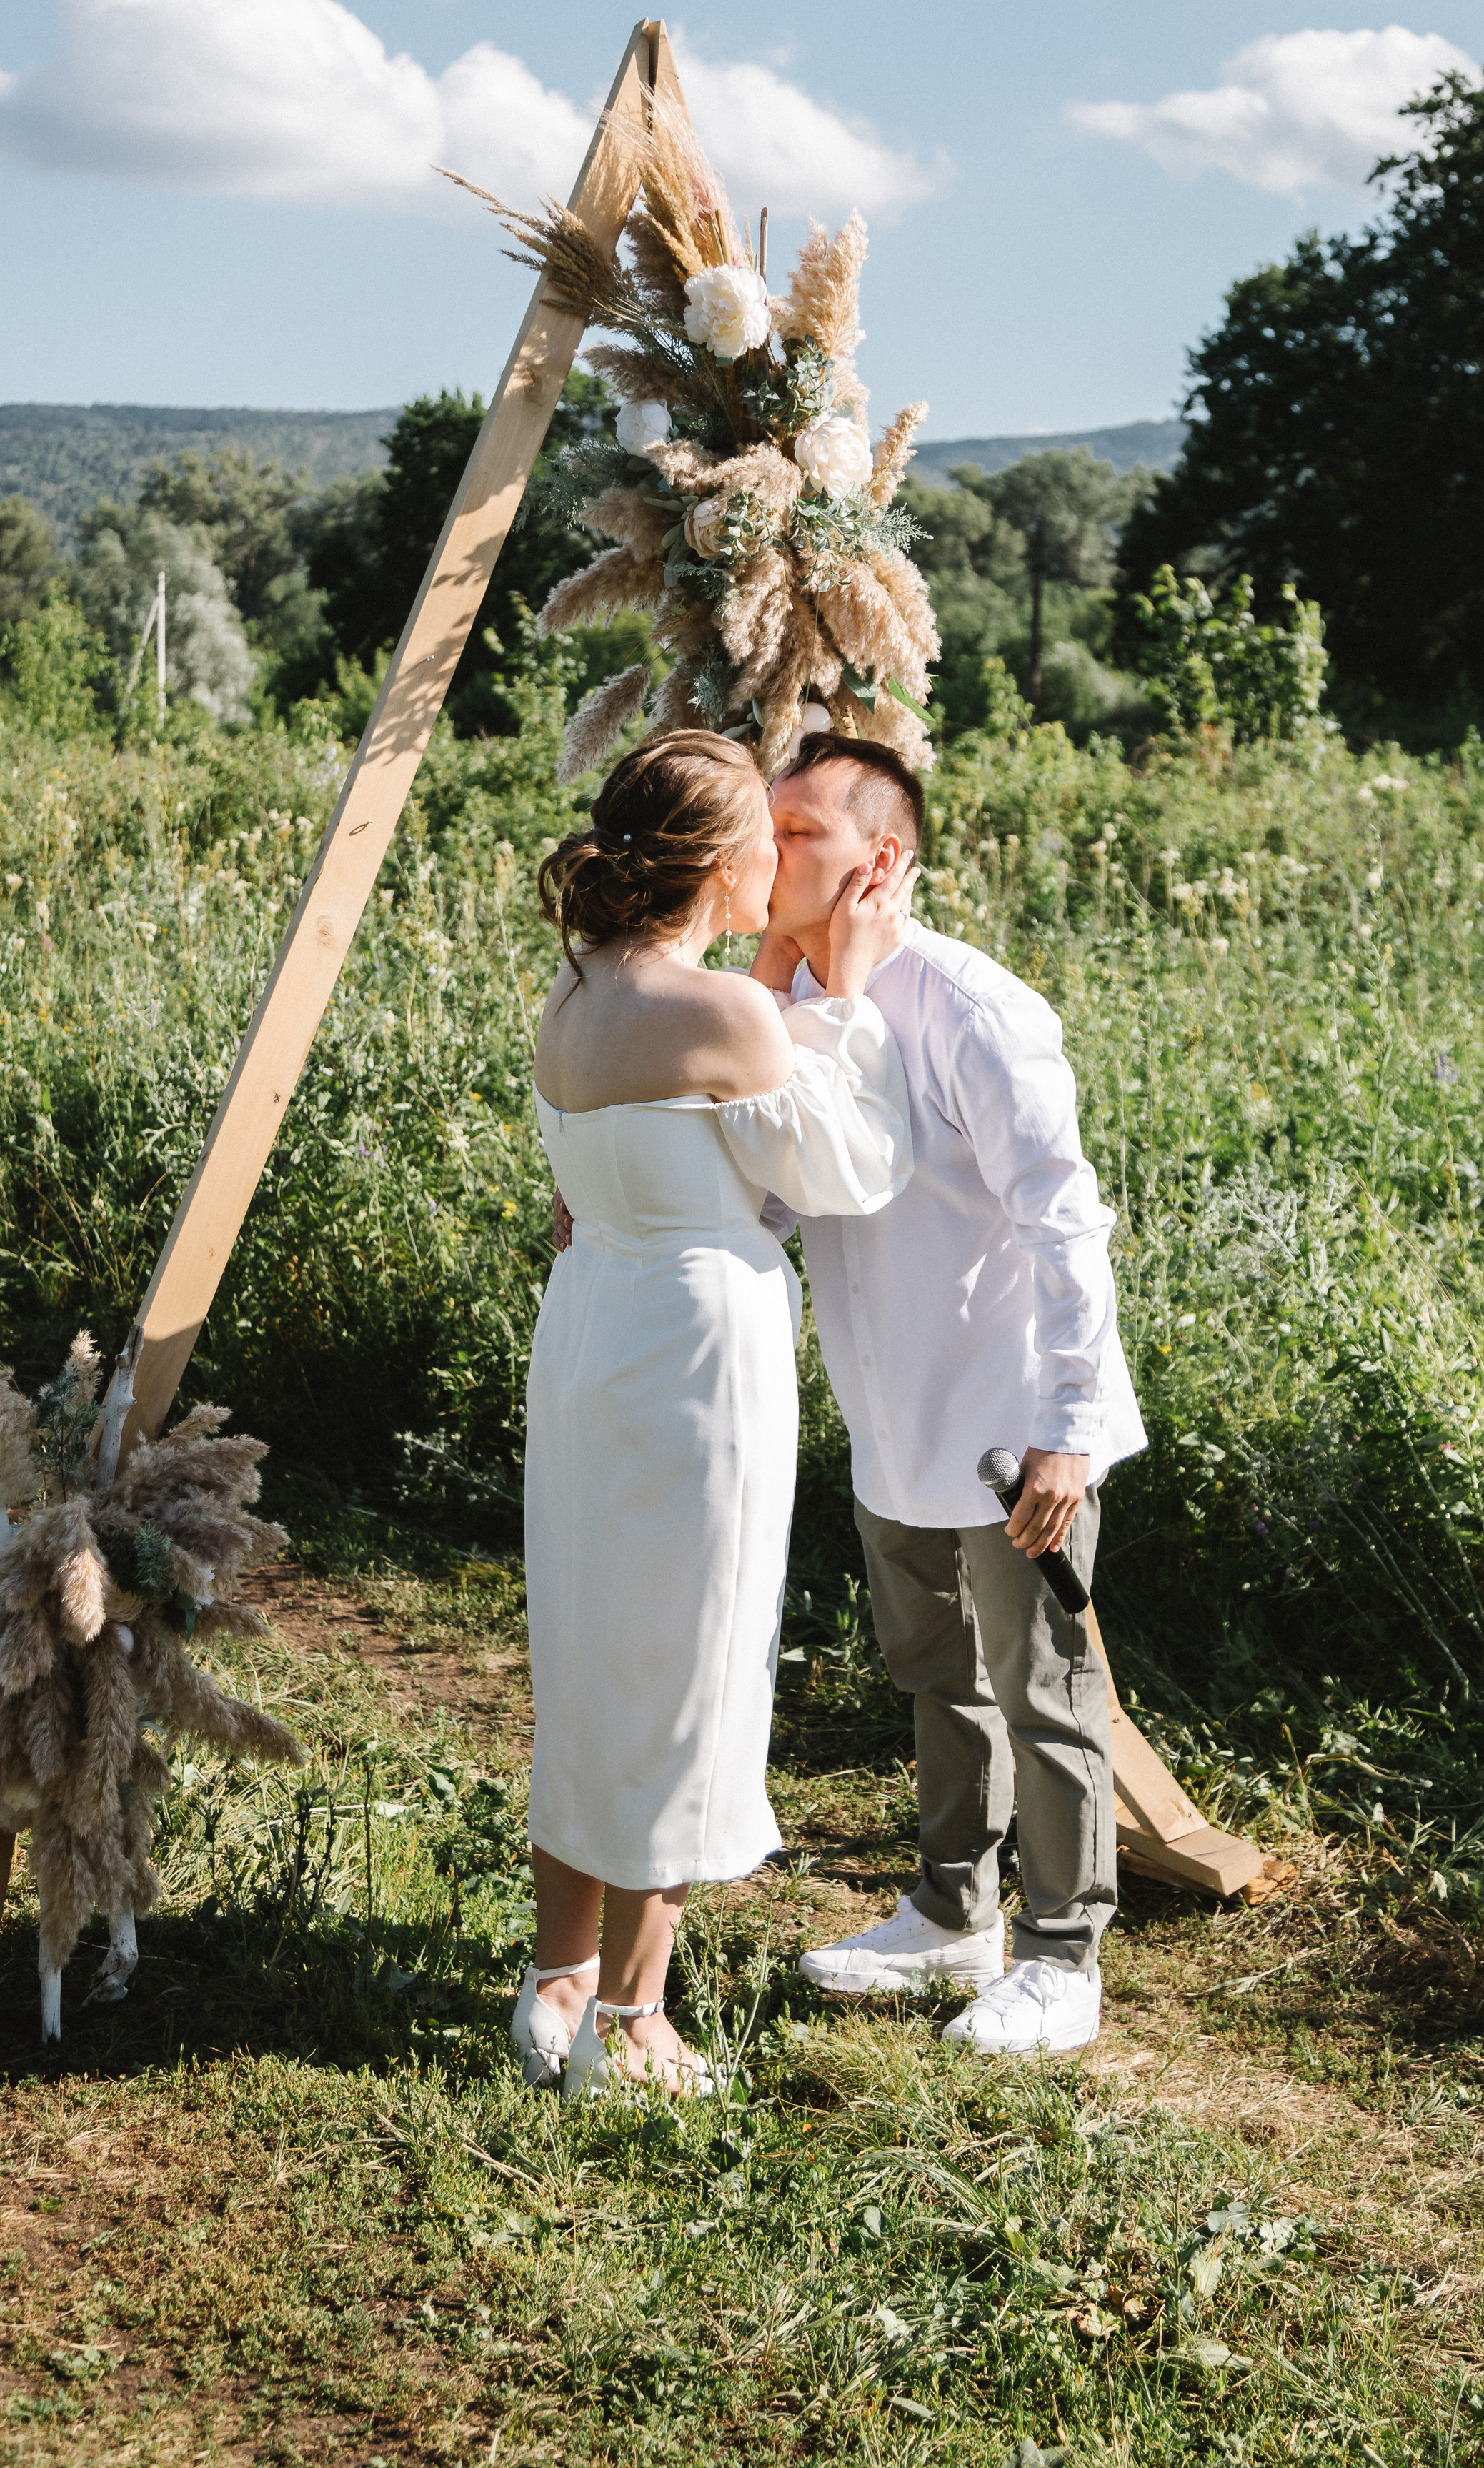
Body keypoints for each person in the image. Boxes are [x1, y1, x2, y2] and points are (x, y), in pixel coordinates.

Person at [519, 730, 915, 2098]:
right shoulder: (730, 1016)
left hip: (586, 1330)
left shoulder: (572, 994)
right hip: (695, 1349)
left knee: (586, 1649)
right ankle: (633, 2024)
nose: (784, 859)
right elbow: (850, 1168)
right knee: (695, 1660)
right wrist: (842, 996)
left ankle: (554, 1975)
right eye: (771, 837)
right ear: (719, 862)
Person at [750, 733, 1147, 2056]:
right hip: (888, 1412)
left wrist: (1070, 1434)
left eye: (798, 833)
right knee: (934, 1676)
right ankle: (951, 1913)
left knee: (1042, 1690)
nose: (770, 851)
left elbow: (1065, 1224)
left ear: (885, 859)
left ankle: (1063, 1956)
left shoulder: (977, 1011)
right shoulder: (793, 1002)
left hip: (1004, 1422)